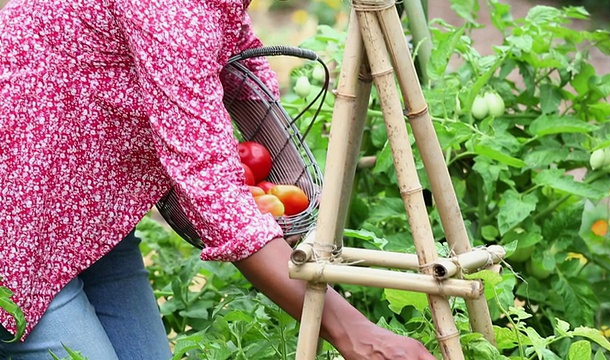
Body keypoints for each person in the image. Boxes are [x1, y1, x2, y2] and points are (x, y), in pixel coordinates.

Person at [0, 0, 437, 359]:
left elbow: (238, 66)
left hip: (85, 224)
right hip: (16, 236)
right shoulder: (171, 12)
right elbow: (210, 189)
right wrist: (354, 332)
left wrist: (286, 187)